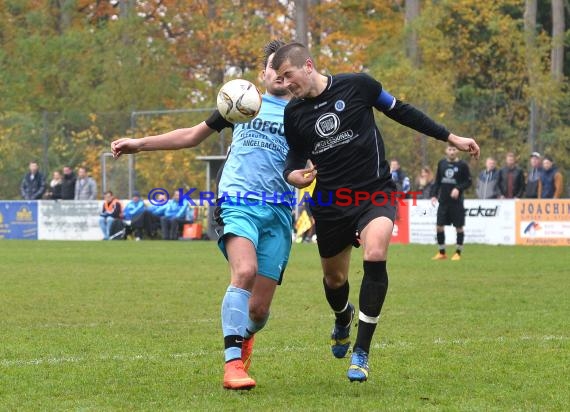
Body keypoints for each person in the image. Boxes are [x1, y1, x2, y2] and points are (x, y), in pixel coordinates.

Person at [272, 42, 480, 382]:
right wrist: (291, 175)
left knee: (376, 252)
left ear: (307, 66)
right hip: (330, 202)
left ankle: (362, 351)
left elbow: (402, 110)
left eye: (288, 75)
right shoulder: (293, 113)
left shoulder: (357, 85)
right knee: (334, 279)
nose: (285, 83)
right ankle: (342, 317)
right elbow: (294, 158)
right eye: (280, 78)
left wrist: (450, 136)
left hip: (375, 192)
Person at [111, 40, 293, 390]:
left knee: (258, 312)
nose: (282, 75)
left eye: (289, 69)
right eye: (276, 68)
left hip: (279, 210)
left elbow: (319, 159)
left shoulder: (305, 113)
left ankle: (245, 336)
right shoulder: (241, 101)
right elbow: (192, 135)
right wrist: (139, 143)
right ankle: (233, 366)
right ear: (263, 74)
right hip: (237, 200)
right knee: (244, 271)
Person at [430, 145, 472, 261]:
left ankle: (458, 253)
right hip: (443, 201)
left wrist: (458, 188)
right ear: (446, 150)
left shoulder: (462, 165)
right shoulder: (441, 163)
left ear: (457, 151)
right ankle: (442, 252)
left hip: (456, 203)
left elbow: (468, 182)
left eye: (454, 150)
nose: (452, 152)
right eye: (450, 149)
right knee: (439, 227)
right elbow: (437, 181)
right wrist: (433, 194)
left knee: (459, 227)